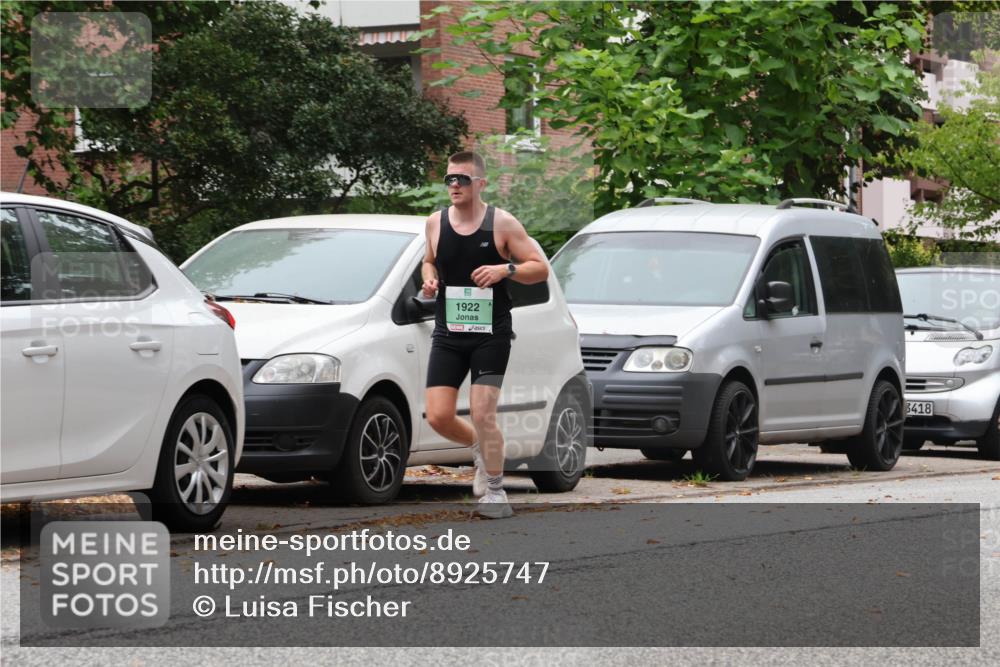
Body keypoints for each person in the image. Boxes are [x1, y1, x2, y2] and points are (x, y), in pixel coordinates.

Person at [421, 151, 549, 519]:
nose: (454, 186)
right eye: (449, 179)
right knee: (439, 416)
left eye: (461, 179)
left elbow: (538, 268)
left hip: (490, 336)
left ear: (480, 184)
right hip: (448, 333)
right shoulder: (435, 222)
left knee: (482, 412)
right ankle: (481, 448)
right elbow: (429, 258)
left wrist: (504, 269)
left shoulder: (502, 224)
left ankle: (495, 491)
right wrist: (428, 278)